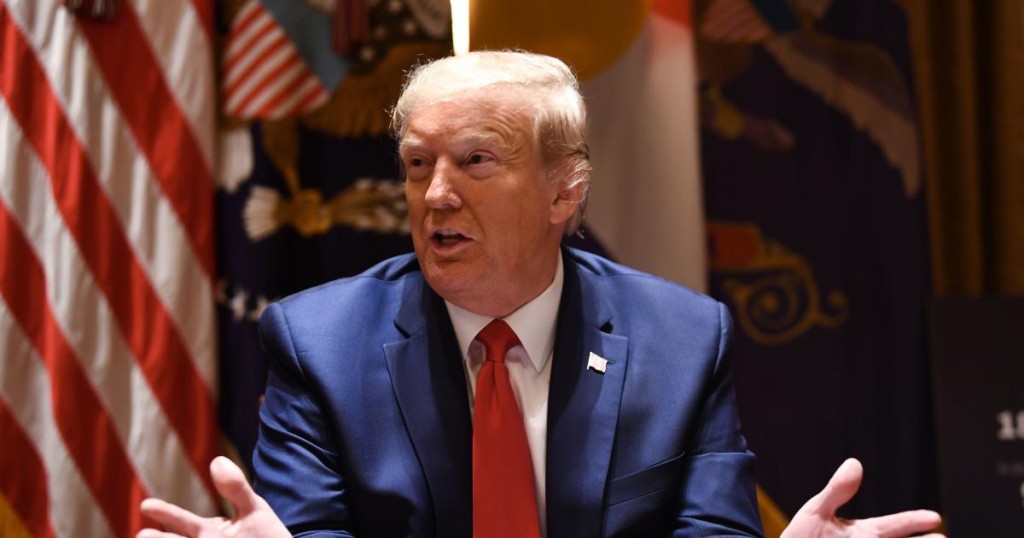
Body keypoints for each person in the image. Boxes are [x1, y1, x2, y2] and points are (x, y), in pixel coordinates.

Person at [138, 51, 943, 538]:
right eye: (419, 164)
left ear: (565, 193)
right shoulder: (318, 342)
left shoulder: (682, 339)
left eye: (476, 161)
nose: (436, 195)